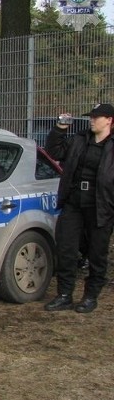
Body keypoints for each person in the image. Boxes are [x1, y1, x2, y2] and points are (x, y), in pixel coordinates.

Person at [44, 103, 114, 313]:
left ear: (109, 120)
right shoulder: (80, 139)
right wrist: (60, 128)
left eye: (97, 117)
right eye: (91, 117)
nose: (92, 120)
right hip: (74, 202)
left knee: (97, 254)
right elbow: (54, 151)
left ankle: (90, 296)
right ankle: (64, 295)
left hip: (101, 206)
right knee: (66, 249)